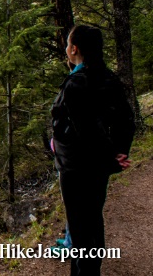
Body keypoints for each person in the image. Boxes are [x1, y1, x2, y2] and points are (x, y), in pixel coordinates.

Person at [50, 25, 135, 275]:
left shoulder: (77, 83)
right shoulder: (108, 77)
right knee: (93, 221)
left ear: (74, 49)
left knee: (80, 231)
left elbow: (84, 129)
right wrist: (119, 152)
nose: (66, 48)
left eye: (68, 43)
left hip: (77, 168)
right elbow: (126, 119)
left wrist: (110, 156)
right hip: (95, 167)